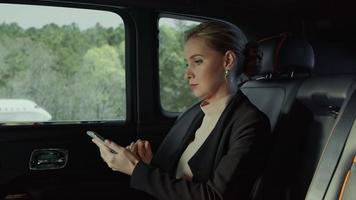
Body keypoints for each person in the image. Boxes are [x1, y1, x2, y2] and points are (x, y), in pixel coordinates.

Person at [92, 20, 271, 200]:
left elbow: (215, 196)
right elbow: (177, 181)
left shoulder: (251, 123)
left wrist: (135, 169)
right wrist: (146, 165)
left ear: (228, 60)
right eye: (187, 64)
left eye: (198, 61)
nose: (187, 74)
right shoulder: (193, 113)